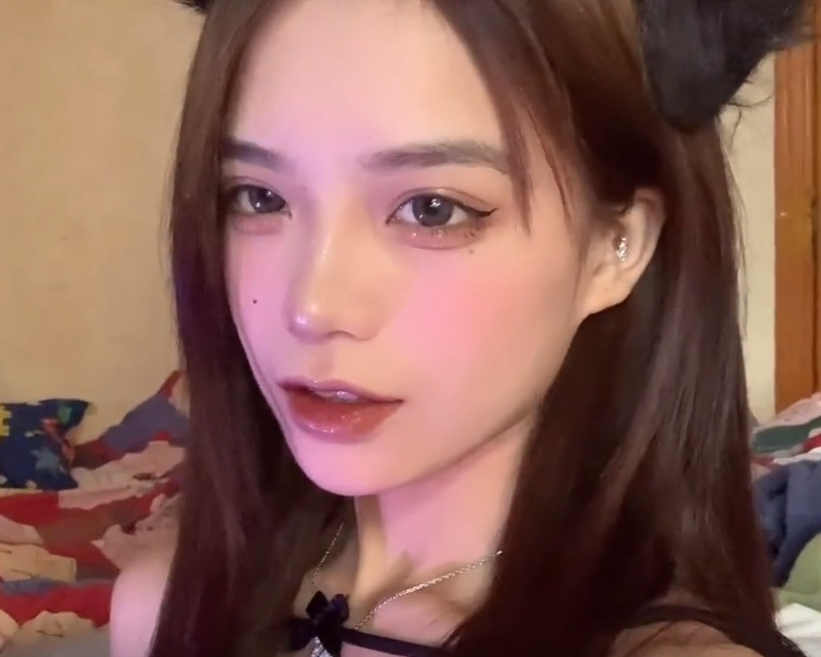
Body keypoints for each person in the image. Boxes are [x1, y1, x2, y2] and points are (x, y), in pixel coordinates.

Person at [110, 0, 810, 656]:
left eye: (432, 210)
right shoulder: (167, 607)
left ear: (614, 246)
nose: (314, 306)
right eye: (258, 197)